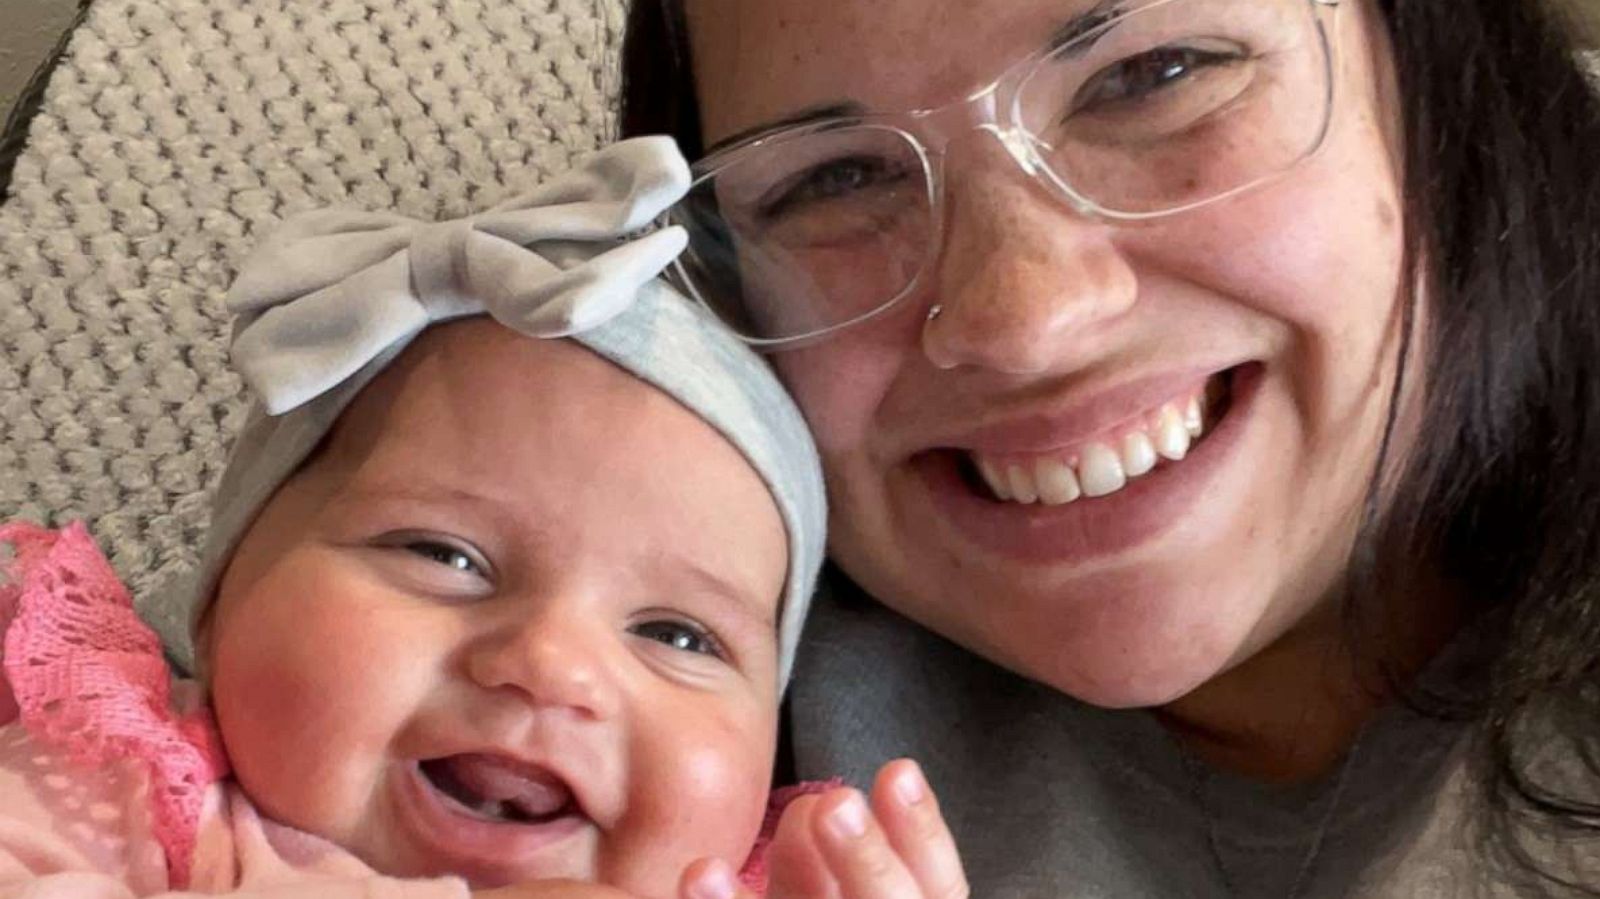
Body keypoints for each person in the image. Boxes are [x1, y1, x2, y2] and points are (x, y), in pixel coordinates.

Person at [619, 0, 1600, 895]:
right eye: (830, 181)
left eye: (1155, 75)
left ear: (1441, 76)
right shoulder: (604, 708)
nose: (1021, 317)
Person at [0, 139, 967, 899]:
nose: (550, 664)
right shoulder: (116, 783)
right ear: (218, 597)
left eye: (677, 634)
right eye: (446, 555)